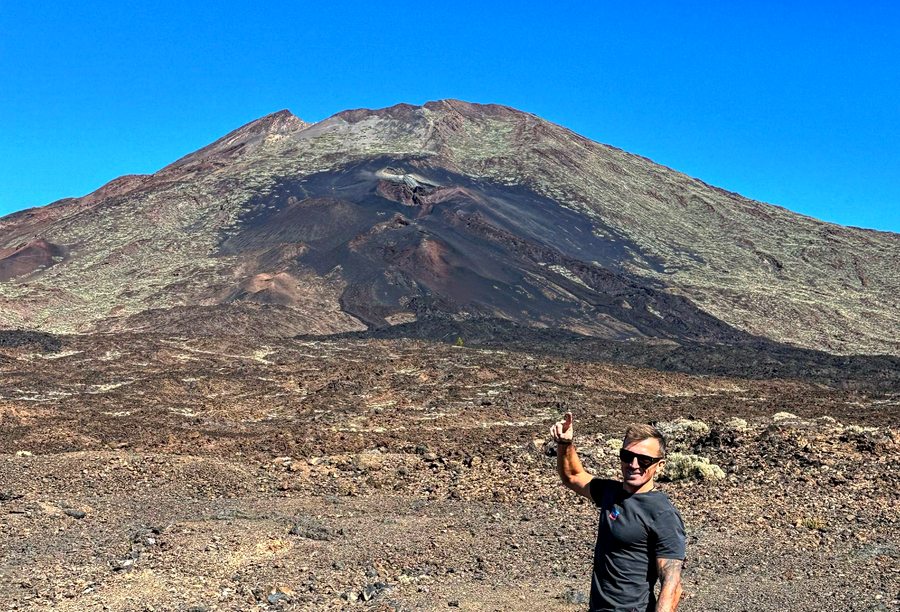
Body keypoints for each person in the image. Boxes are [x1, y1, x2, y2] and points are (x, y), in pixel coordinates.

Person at [550, 413, 685, 612]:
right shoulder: (610, 492)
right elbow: (572, 475)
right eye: (627, 456)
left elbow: (671, 584)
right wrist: (565, 443)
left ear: (660, 465)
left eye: (644, 460)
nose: (634, 465)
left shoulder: (662, 513)